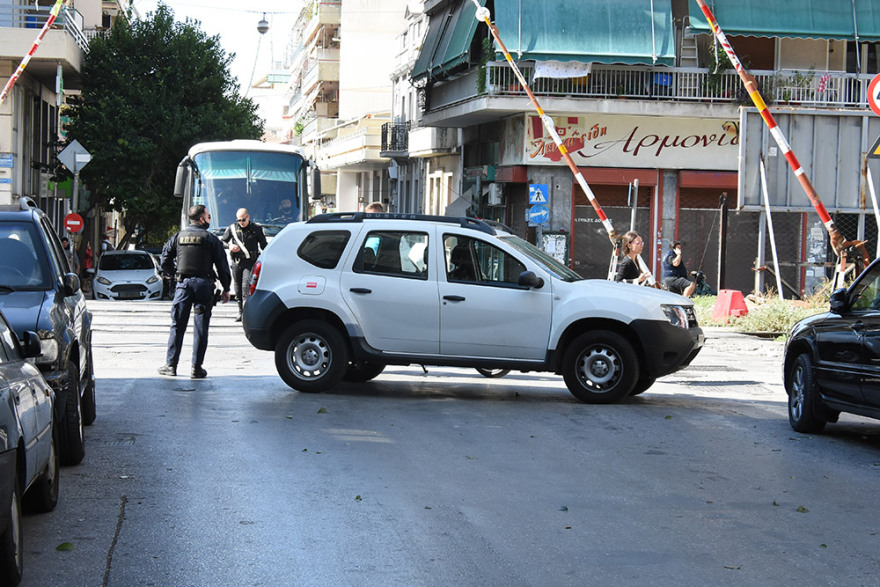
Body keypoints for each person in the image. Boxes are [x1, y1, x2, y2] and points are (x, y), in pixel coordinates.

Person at [158, 205, 231, 379]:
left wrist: (175, 274)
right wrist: (226, 288)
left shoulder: (178, 237)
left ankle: (171, 365)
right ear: (201, 219)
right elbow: (222, 265)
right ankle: (196, 368)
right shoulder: (210, 238)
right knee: (200, 327)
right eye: (208, 216)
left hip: (183, 285)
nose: (209, 219)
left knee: (177, 325)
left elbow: (164, 260)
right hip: (203, 286)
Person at [220, 208, 267, 321]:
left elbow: (264, 245)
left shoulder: (256, 228)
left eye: (243, 219)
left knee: (246, 287)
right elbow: (222, 241)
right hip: (237, 262)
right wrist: (230, 246)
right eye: (239, 220)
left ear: (248, 217)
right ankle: (240, 313)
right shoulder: (232, 228)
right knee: (237, 288)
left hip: (250, 262)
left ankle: (247, 314)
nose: (241, 222)